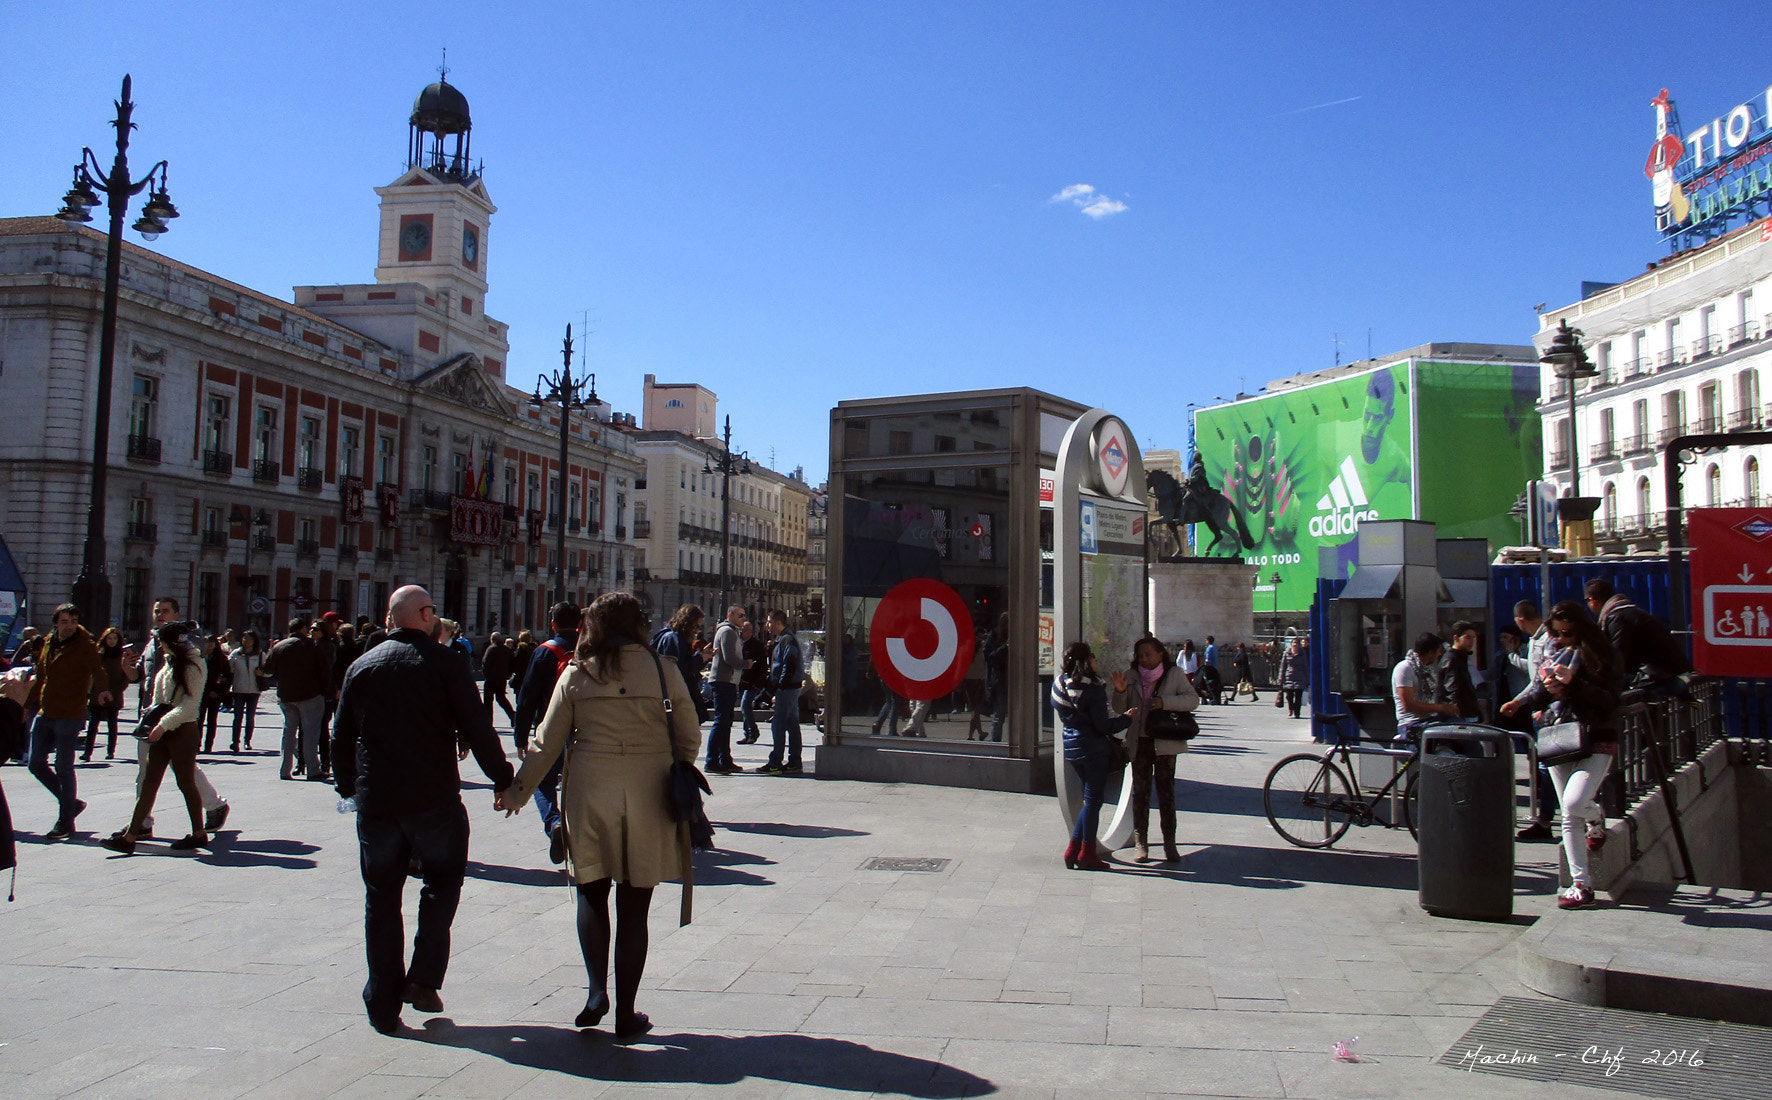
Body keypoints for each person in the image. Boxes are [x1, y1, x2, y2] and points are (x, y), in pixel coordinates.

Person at [495, 592, 700, 1040]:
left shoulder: (576, 672)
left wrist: (517, 793)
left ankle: (594, 992)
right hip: (649, 788)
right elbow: (690, 736)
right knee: (635, 905)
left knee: (591, 891)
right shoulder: (664, 671)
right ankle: (627, 1014)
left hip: (589, 789)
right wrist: (673, 763)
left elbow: (546, 743)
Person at [333, 585, 515, 1035]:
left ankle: (381, 1000)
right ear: (426, 615)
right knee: (442, 881)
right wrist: (502, 777)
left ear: (391, 618)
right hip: (432, 798)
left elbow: (340, 734)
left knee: (381, 897)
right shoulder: (446, 663)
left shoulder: (362, 665)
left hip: (378, 801)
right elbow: (477, 727)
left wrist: (348, 786)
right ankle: (423, 979)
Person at [1501, 601, 1623, 910]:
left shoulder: (1603, 654)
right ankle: (1580, 885)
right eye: (1556, 633)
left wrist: (1574, 683)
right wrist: (1543, 689)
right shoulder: (1553, 652)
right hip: (1560, 737)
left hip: (1596, 738)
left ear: (1581, 630)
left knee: (1573, 802)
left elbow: (1610, 701)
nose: (1560, 639)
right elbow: (1540, 695)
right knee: (1568, 816)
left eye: (1566, 633)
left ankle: (1596, 817)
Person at [101, 620, 213, 854]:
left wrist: (163, 724)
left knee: (185, 782)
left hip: (182, 730)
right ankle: (130, 837)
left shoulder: (195, 664)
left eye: (162, 642)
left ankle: (199, 833)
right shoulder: (171, 662)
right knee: (149, 782)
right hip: (162, 730)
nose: (160, 647)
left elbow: (190, 706)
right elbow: (159, 697)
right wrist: (151, 715)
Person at [121, 597, 229, 836]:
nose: (160, 614)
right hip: (151, 716)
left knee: (185, 772)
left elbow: (192, 688)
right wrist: (127, 669)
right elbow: (140, 676)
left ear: (176, 614)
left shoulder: (188, 644)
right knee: (147, 772)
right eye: (157, 610)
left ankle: (214, 806)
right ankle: (142, 823)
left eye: (165, 611)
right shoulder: (152, 642)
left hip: (177, 718)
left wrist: (167, 719)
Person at [1110, 637, 1198, 862]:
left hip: (1165, 742)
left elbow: (1192, 700)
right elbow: (1120, 708)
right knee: (1141, 793)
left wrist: (1165, 702)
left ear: (1160, 654)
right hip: (1140, 741)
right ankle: (1141, 842)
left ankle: (1170, 842)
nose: (1144, 659)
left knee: (1166, 792)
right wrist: (1120, 692)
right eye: (1141, 655)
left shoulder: (1175, 674)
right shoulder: (1131, 676)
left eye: (1149, 654)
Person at [1051, 641, 1136, 871]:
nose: (1096, 661)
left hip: (1072, 748)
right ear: (1087, 661)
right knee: (1094, 801)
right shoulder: (1093, 689)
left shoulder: (1059, 684)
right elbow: (1103, 725)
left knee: (1090, 801)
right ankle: (1087, 853)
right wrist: (1127, 718)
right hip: (1093, 749)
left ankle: (1073, 850)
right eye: (1093, 657)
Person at [25, 604, 108, 839]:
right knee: (35, 764)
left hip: (70, 712)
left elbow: (98, 671)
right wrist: (26, 706)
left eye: (73, 620)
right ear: (55, 623)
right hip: (46, 710)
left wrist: (102, 691)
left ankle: (65, 820)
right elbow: (41, 676)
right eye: (64, 621)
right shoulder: (49, 641)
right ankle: (71, 804)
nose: (69, 625)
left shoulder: (85, 645)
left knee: (63, 766)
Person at [514, 602, 581, 864]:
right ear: (579, 623)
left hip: (550, 727)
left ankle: (554, 822)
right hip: (586, 729)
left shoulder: (544, 652)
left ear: (552, 624)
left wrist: (520, 736)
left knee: (543, 781)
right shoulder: (591, 651)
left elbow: (526, 697)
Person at [1504, 601, 1559, 842]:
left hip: (1546, 712)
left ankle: (1547, 821)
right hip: (1539, 709)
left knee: (1549, 767)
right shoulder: (1538, 640)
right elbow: (1536, 680)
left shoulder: (1547, 640)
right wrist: (1519, 702)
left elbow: (1542, 680)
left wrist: (1534, 704)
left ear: (1520, 620)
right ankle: (1547, 819)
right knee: (1546, 767)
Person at [1584, 578, 1693, 696]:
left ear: (1592, 600)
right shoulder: (1628, 612)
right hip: (1670, 675)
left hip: (1661, 679)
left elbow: (1618, 658)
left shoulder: (1618, 618)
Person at [261, 618, 332, 781]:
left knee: (288, 732)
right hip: (310, 695)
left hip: (286, 695)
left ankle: (285, 770)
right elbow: (324, 670)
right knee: (310, 733)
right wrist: (325, 691)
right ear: (303, 629)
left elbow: (268, 669)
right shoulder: (312, 646)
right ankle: (313, 770)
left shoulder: (279, 646)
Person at [704, 606, 750, 774]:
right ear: (729, 615)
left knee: (725, 722)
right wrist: (746, 664)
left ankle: (724, 759)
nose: (743, 618)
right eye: (740, 615)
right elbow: (729, 658)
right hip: (723, 681)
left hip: (728, 681)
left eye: (744, 615)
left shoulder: (733, 631)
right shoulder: (727, 632)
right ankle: (712, 760)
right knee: (721, 721)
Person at [758, 610, 804, 775]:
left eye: (769, 622)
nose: (767, 625)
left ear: (778, 623)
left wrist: (780, 686)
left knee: (778, 726)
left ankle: (775, 762)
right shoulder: (784, 639)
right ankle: (794, 761)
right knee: (792, 725)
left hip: (787, 689)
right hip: (791, 687)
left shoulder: (787, 640)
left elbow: (789, 664)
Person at [1392, 632, 1459, 744]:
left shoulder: (1429, 671)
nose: (1439, 655)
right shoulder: (1405, 669)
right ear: (1430, 653)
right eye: (1438, 651)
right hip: (1411, 724)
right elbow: (1408, 706)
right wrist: (1442, 708)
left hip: (1431, 719)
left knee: (1461, 731)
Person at [651, 604, 710, 724]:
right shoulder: (673, 639)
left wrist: (702, 657)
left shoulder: (676, 638)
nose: (697, 630)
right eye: (696, 626)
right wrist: (700, 658)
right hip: (676, 699)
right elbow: (679, 670)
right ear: (688, 622)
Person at [81, 627, 129, 761]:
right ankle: (87, 752)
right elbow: (92, 671)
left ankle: (110, 751)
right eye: (109, 638)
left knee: (112, 724)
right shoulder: (99, 654)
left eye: (114, 638)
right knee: (93, 724)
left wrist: (118, 690)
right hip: (98, 694)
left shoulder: (122, 655)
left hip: (115, 694)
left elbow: (126, 677)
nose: (112, 641)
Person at [228, 630, 265, 752]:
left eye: (249, 639)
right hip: (239, 689)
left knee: (250, 717)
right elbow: (229, 669)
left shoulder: (260, 655)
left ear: (254, 641)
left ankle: (247, 740)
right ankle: (235, 742)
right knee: (237, 717)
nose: (246, 641)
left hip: (254, 690)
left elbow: (268, 671)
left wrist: (262, 673)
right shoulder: (236, 654)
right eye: (244, 639)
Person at [1439, 621, 1482, 721]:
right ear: (1456, 638)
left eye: (1473, 637)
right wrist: (1457, 716)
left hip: (1468, 714)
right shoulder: (1452, 659)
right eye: (1467, 637)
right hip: (1461, 717)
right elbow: (1452, 690)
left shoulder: (1461, 657)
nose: (1471, 642)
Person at [736, 621, 768, 745]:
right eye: (741, 629)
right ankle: (747, 734)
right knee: (745, 707)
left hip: (753, 681)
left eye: (744, 629)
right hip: (742, 681)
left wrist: (759, 683)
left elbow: (763, 666)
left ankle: (753, 732)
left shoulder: (757, 645)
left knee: (745, 705)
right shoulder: (738, 643)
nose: (741, 632)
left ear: (750, 631)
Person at [200, 633, 232, 753]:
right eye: (207, 642)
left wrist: (219, 691)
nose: (209, 644)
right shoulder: (200, 656)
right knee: (198, 720)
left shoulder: (221, 658)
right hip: (201, 693)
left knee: (211, 720)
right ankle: (197, 744)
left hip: (215, 694)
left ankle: (208, 746)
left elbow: (228, 676)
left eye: (211, 642)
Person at [983, 613, 1010, 743]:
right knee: (999, 715)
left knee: (1003, 715)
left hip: (1011, 678)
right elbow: (989, 657)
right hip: (1000, 679)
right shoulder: (994, 635)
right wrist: (1005, 647)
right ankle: (995, 741)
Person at [480, 631, 516, 724]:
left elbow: (485, 663)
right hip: (502, 678)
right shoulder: (507, 649)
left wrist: (486, 675)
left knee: (488, 701)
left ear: (492, 639)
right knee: (501, 698)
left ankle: (488, 721)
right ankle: (512, 715)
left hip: (491, 679)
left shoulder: (491, 649)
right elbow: (513, 663)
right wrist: (508, 674)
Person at [1276, 637, 1309, 718]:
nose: (1295, 644)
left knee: (1298, 696)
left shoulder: (1302, 653)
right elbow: (1283, 666)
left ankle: (1297, 712)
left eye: (1296, 643)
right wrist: (1281, 677)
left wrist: (1307, 678)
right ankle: (1291, 708)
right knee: (1289, 696)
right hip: (1289, 676)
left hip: (1300, 676)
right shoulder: (1287, 653)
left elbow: (1305, 666)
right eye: (1293, 643)